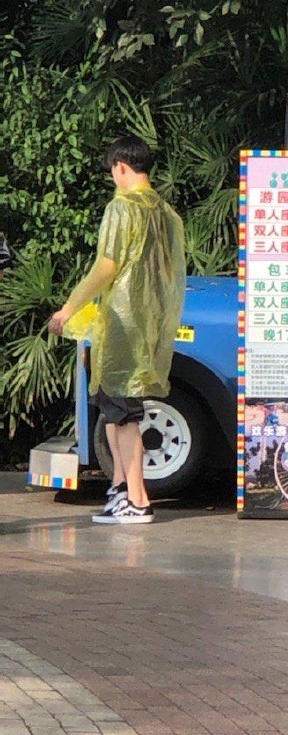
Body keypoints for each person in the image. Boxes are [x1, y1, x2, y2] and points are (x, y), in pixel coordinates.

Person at [49, 135, 186, 525]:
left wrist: (69, 307)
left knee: (125, 415)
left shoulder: (121, 208)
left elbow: (106, 266)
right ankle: (121, 490)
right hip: (150, 323)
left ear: (121, 167)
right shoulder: (166, 213)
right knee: (113, 411)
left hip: (123, 323)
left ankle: (138, 499)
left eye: (113, 170)